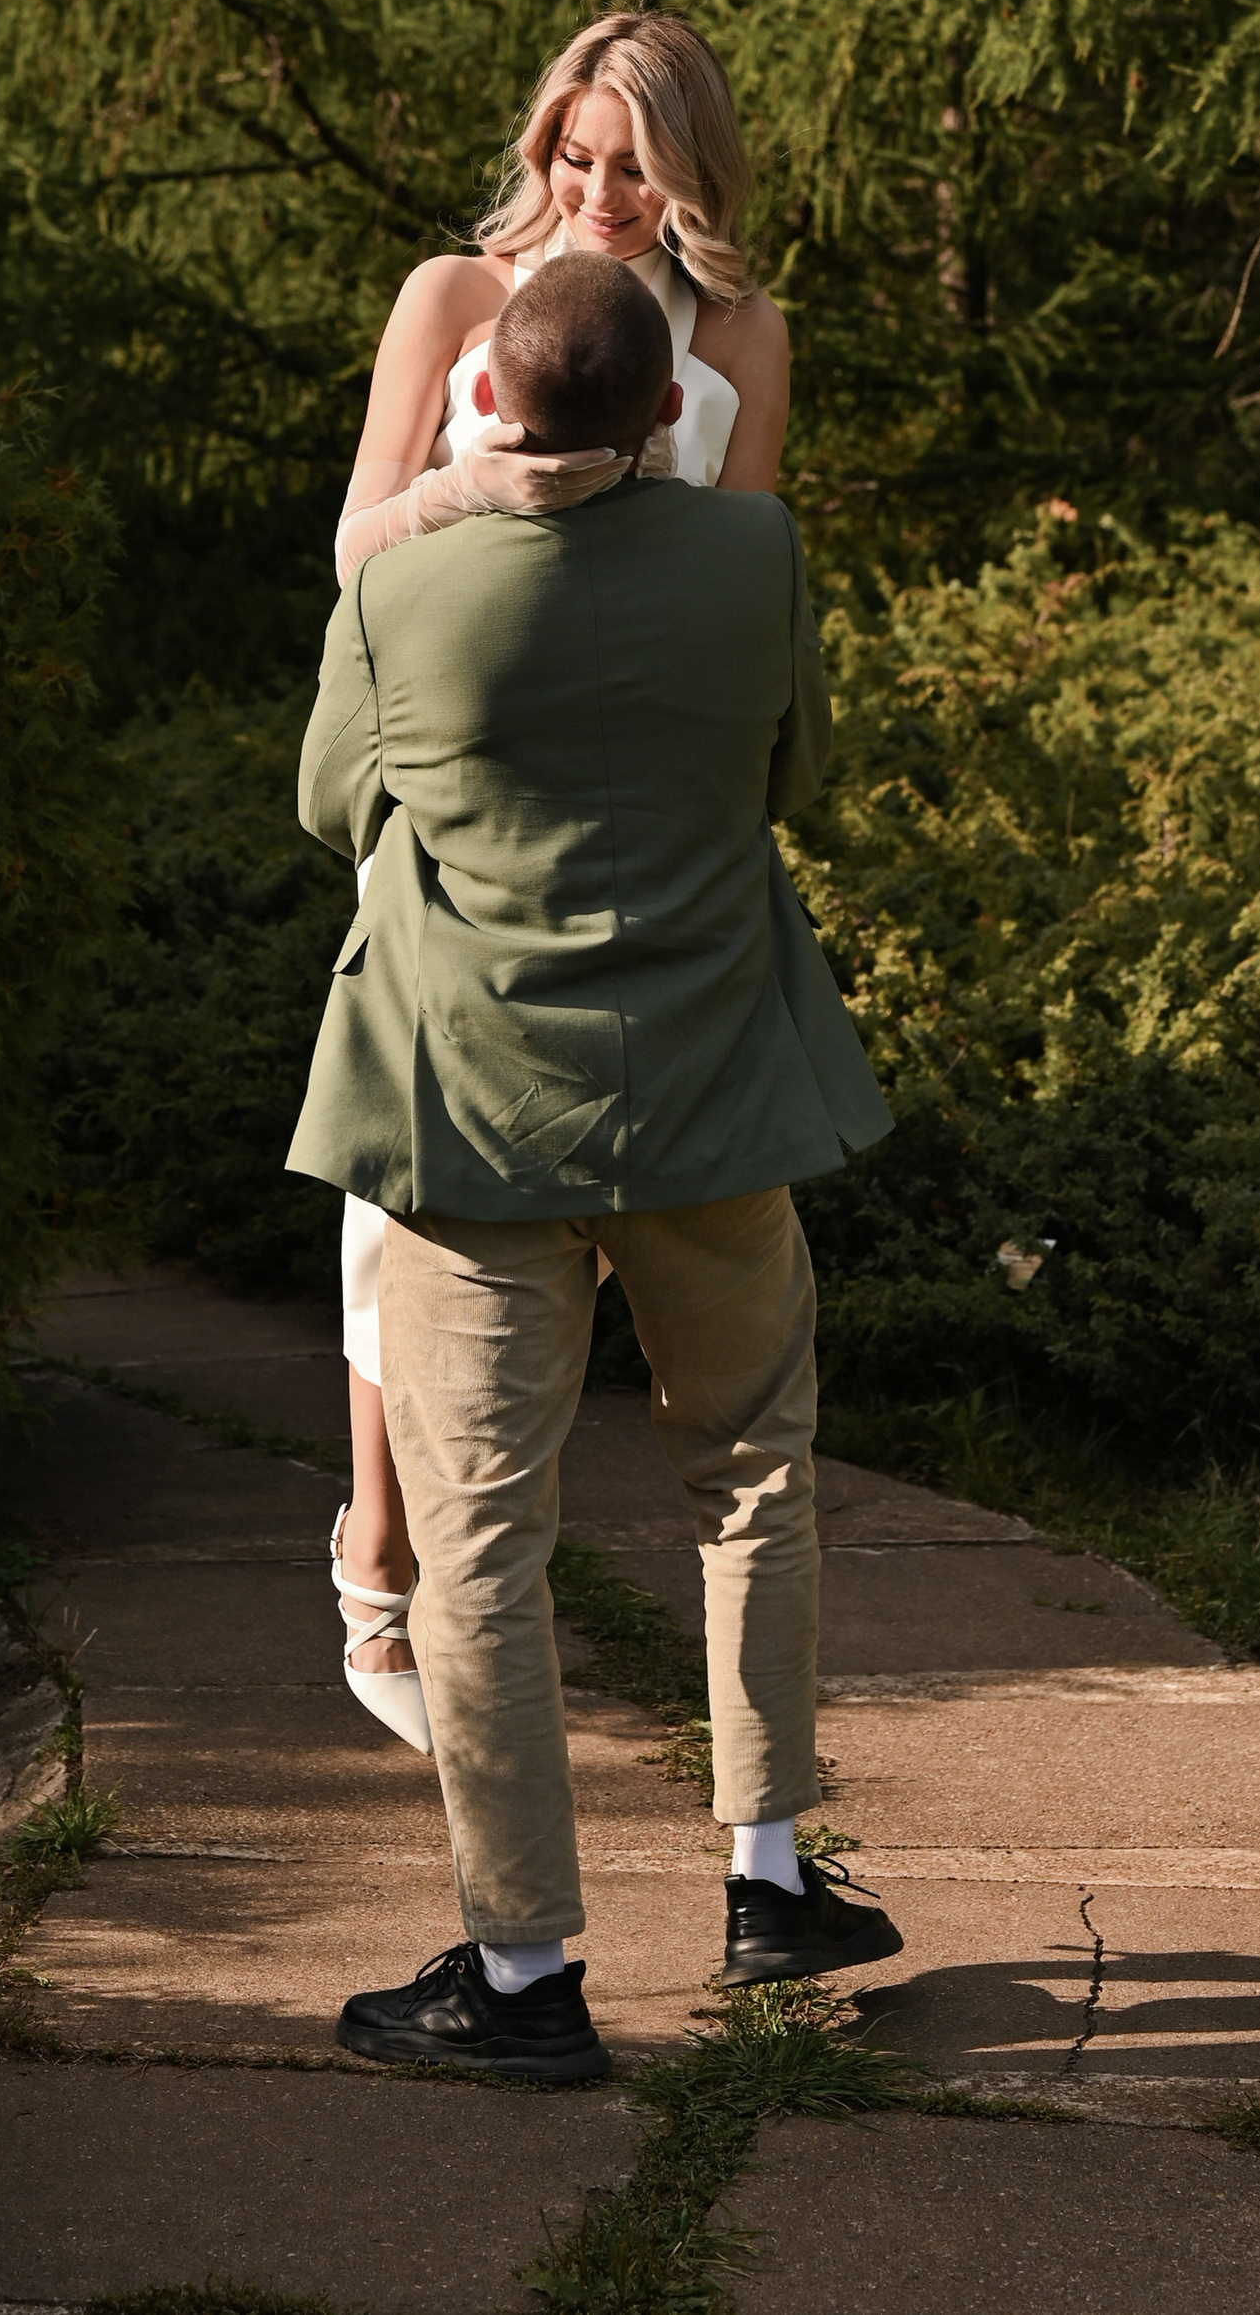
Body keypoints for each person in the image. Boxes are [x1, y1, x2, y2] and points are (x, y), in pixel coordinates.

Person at [289, 251, 898, 2083]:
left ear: (485, 397)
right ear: (662, 413)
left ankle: (525, 1972)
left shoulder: (404, 586)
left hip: (474, 1116)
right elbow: (797, 773)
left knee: (481, 1535)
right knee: (754, 1467)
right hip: (711, 1095)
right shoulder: (754, 556)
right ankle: (770, 1877)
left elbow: (331, 803)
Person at [323, 11, 791, 1750]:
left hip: (647, 827)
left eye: (635, 166)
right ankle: (382, 1549)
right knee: (404, 1190)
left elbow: (745, 569)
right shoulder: (454, 296)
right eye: (575, 156)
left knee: (602, 1226)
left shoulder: (741, 336)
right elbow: (356, 543)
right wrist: (476, 488)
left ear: (691, 174)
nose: (599, 193)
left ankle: (494, 1557)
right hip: (470, 790)